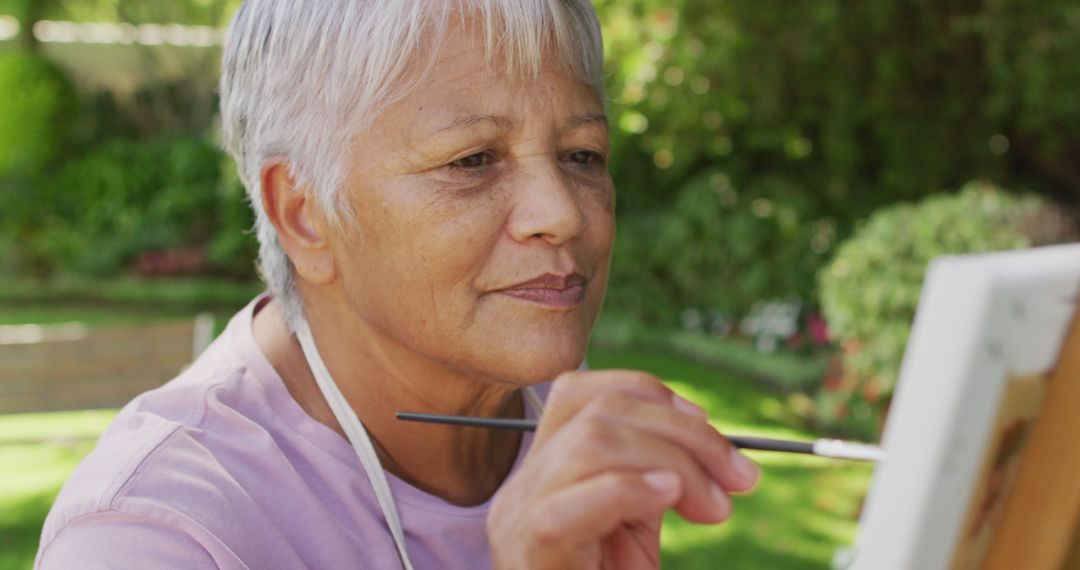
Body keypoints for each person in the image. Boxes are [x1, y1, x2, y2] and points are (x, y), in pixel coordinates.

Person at [35, 1, 759, 568]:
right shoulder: (150, 534)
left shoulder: (548, 400)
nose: (561, 214)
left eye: (581, 154)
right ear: (305, 215)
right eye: (473, 160)